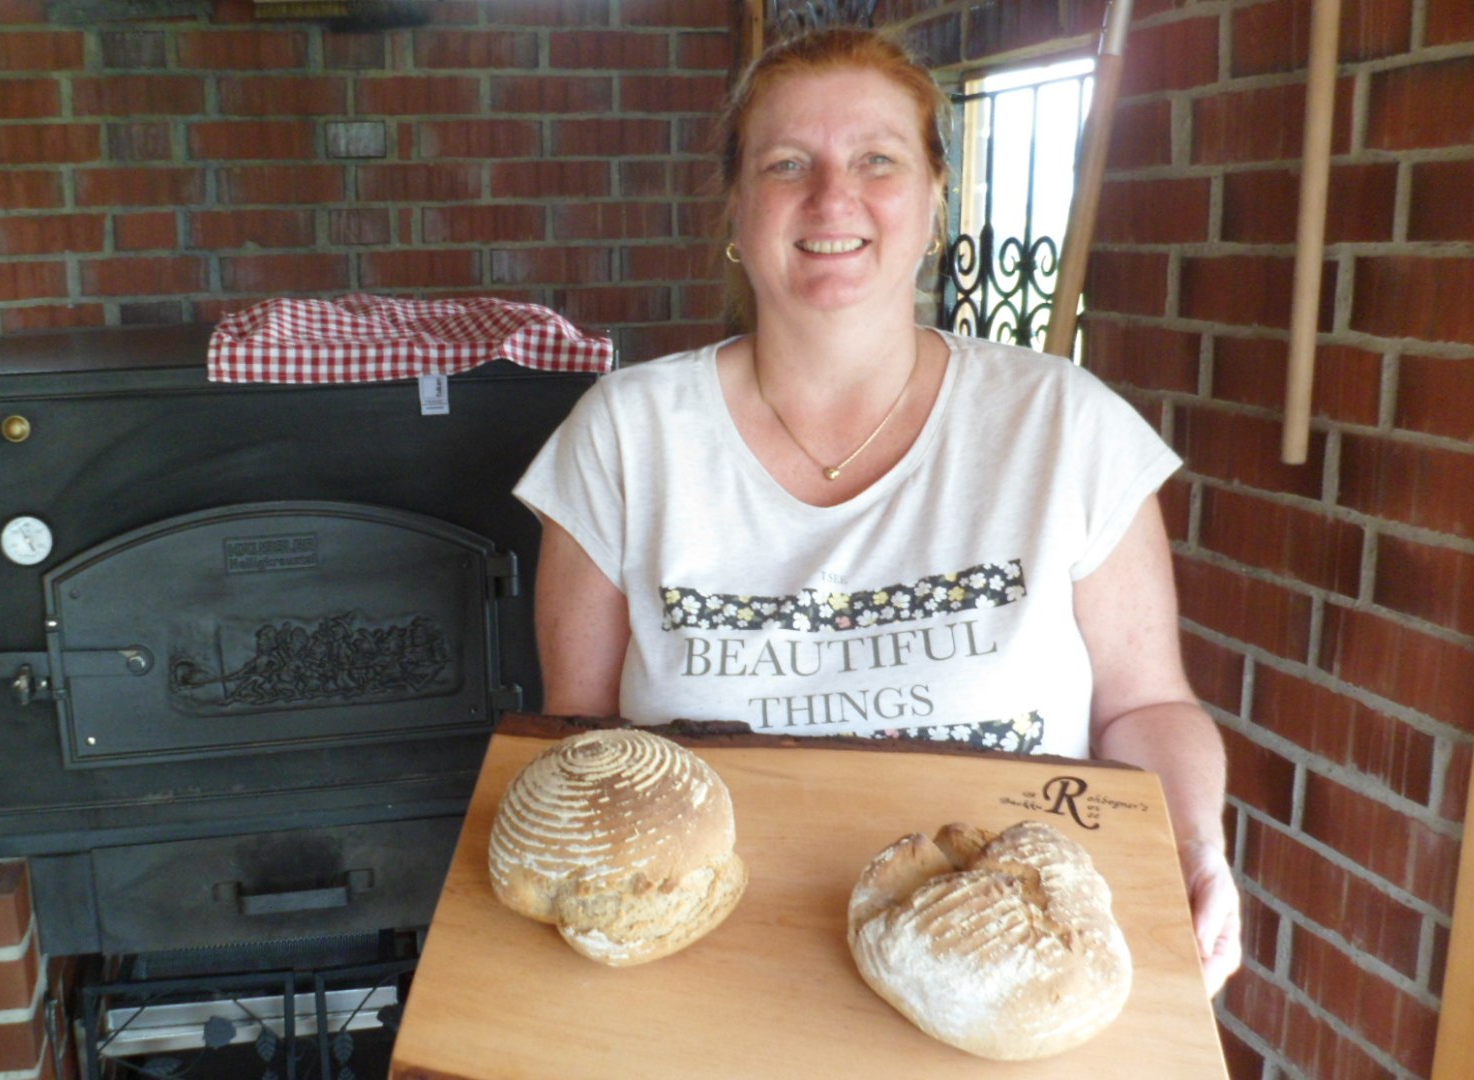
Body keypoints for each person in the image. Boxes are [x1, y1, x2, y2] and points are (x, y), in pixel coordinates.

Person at [512, 26, 1241, 997]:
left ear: (936, 199)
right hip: (703, 967)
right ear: (735, 204)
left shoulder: (1064, 426)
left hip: (1001, 969)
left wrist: (1194, 850)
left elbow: (1147, 706)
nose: (831, 196)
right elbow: (584, 743)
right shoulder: (626, 435)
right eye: (786, 163)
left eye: (877, 160)